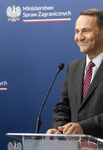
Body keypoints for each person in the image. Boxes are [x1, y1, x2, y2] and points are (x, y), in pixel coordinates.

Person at [46, 9, 103, 139]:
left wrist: (83, 127)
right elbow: (63, 107)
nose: (80, 37)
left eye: (86, 31)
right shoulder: (73, 67)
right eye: (77, 31)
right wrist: (58, 128)